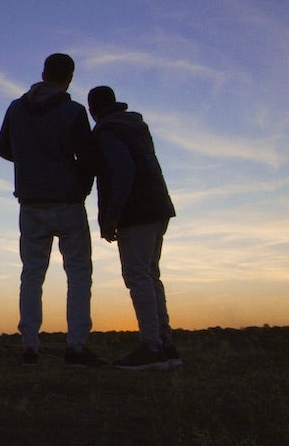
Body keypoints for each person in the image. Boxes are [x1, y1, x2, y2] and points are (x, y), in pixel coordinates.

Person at [0, 53, 103, 367]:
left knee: (31, 275)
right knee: (79, 274)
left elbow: (3, 148)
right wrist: (80, 187)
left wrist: (31, 160)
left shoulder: (17, 108)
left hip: (30, 203)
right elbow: (88, 158)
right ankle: (77, 347)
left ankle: (30, 346)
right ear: (69, 77)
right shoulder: (73, 111)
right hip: (68, 203)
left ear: (43, 73)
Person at [87, 86, 179, 370]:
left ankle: (151, 347)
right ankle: (166, 345)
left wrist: (111, 215)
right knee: (150, 275)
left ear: (93, 110)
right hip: (158, 207)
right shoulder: (135, 126)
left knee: (138, 276)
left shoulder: (107, 132)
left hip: (135, 212)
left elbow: (122, 171)